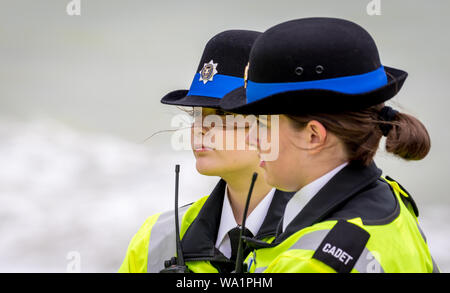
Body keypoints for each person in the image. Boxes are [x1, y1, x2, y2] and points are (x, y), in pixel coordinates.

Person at [220, 17, 440, 273]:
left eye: (263, 124)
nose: (251, 138)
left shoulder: (311, 264)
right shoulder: (393, 203)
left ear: (313, 135)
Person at [118, 30, 294, 273]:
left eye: (223, 113)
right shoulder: (156, 237)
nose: (200, 128)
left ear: (274, 123)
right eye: (197, 113)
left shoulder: (323, 236)